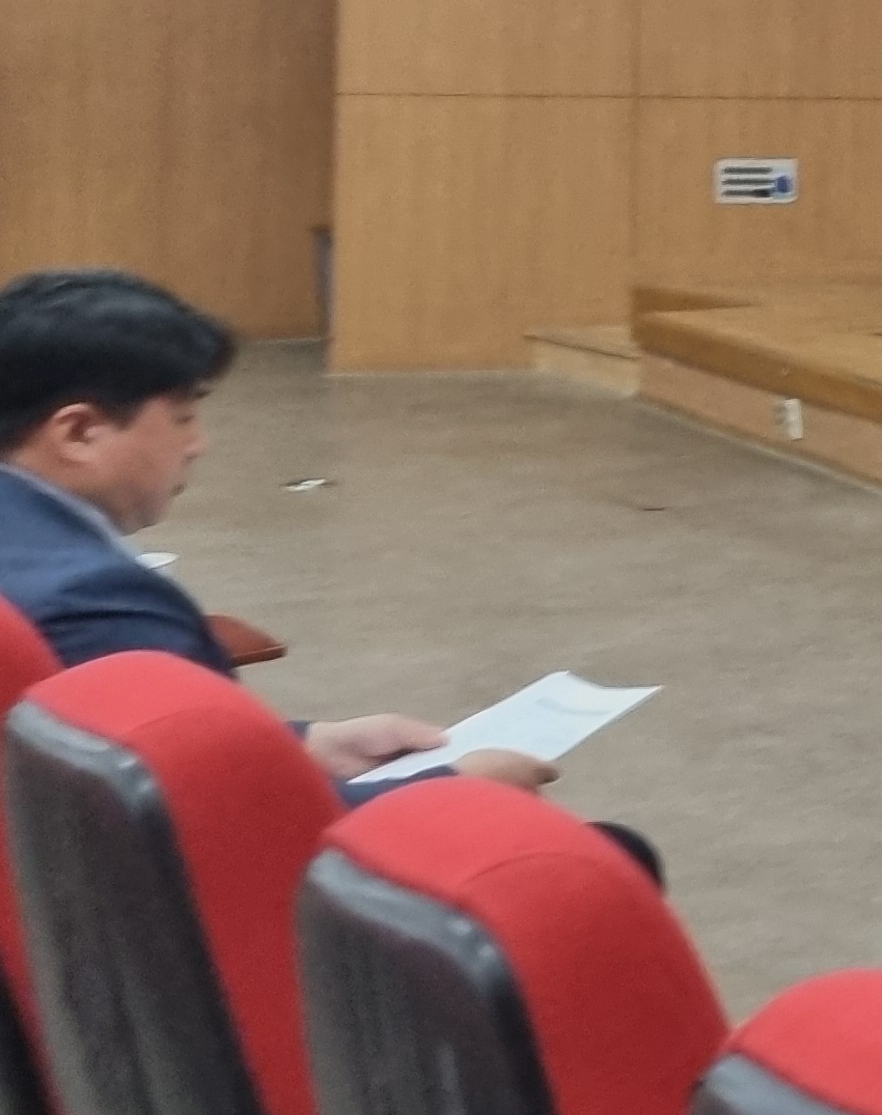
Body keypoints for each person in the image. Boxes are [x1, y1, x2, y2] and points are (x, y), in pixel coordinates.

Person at [0, 269, 557, 795]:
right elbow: (222, 821)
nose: (198, 445)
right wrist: (444, 787)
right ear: (79, 433)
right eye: (183, 417)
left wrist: (303, 745)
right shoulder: (97, 603)